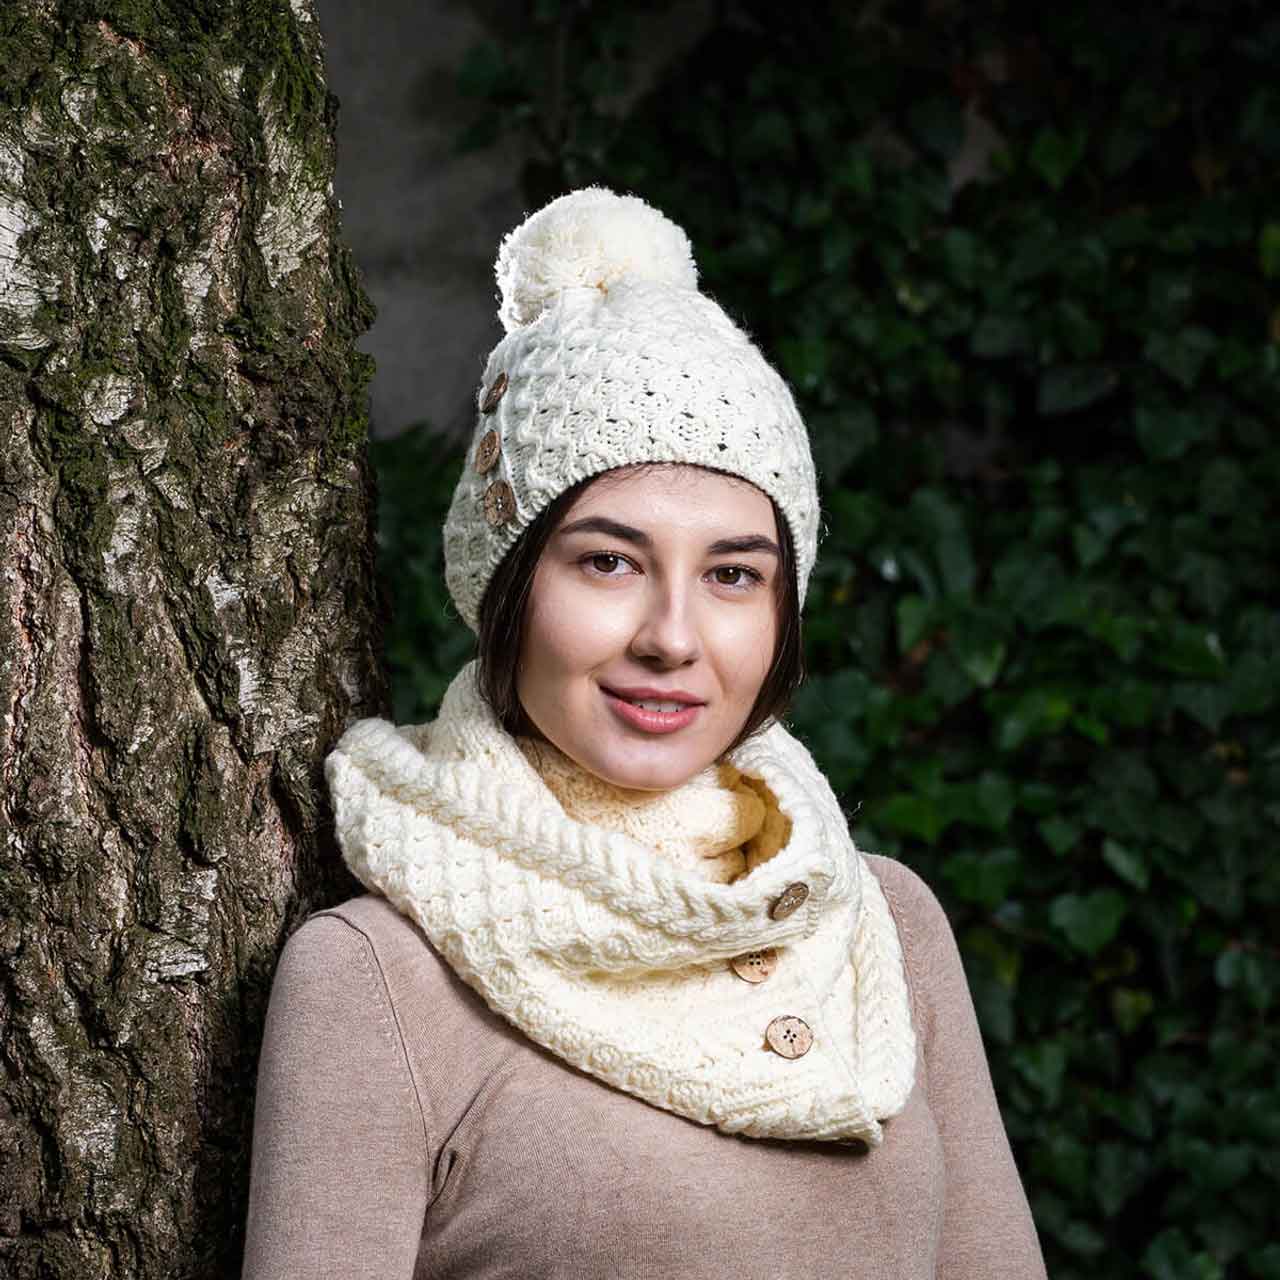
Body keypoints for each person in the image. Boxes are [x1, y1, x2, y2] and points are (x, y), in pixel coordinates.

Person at [240, 186, 1048, 1279]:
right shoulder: (378, 978)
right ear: (506, 588)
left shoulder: (881, 924)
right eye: (609, 561)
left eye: (732, 574)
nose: (671, 637)